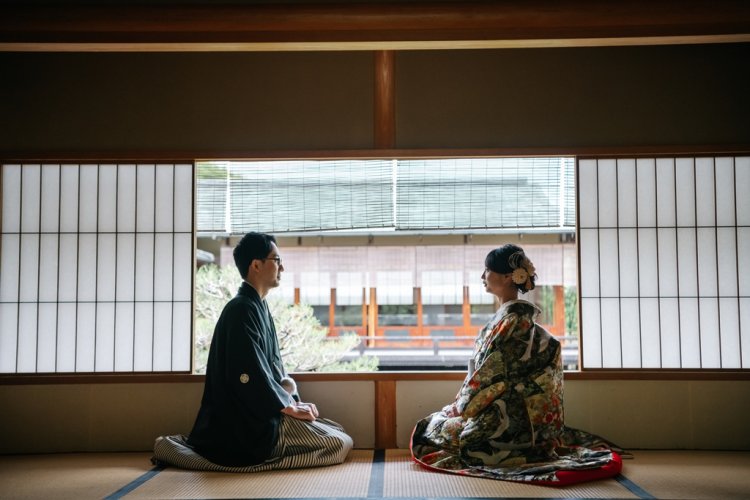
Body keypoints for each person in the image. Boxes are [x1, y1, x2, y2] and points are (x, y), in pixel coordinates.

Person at [410, 244, 622, 485]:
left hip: (505, 418)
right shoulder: (516, 319)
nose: (482, 276)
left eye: (487, 270)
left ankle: (505, 444)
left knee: (432, 429)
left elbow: (489, 375)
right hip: (525, 418)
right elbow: (488, 373)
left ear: (509, 277)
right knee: (440, 423)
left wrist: (461, 406)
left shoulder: (513, 322)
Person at [153, 232, 352, 471]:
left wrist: (293, 401)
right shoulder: (240, 310)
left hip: (267, 411)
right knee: (338, 443)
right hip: (243, 426)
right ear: (256, 265)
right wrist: (287, 406)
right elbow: (247, 374)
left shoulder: (258, 306)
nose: (283, 267)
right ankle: (256, 462)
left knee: (338, 432)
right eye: (277, 260)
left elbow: (274, 369)